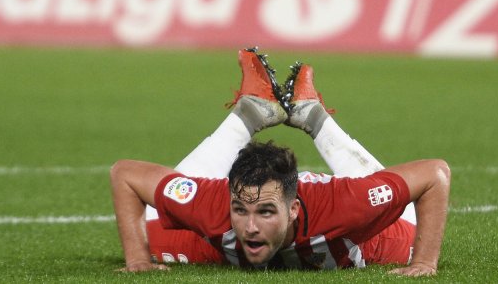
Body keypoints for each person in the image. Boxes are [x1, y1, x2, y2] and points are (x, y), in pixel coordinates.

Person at [110, 48, 450, 275]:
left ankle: (313, 117)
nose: (251, 226)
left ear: (293, 209)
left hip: (370, 238)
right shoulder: (211, 205)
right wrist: (138, 259)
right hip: (230, 238)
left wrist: (425, 262)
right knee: (145, 235)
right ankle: (250, 112)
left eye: (266, 212)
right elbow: (125, 174)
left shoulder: (344, 205)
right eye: (241, 210)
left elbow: (435, 175)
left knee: (409, 223)